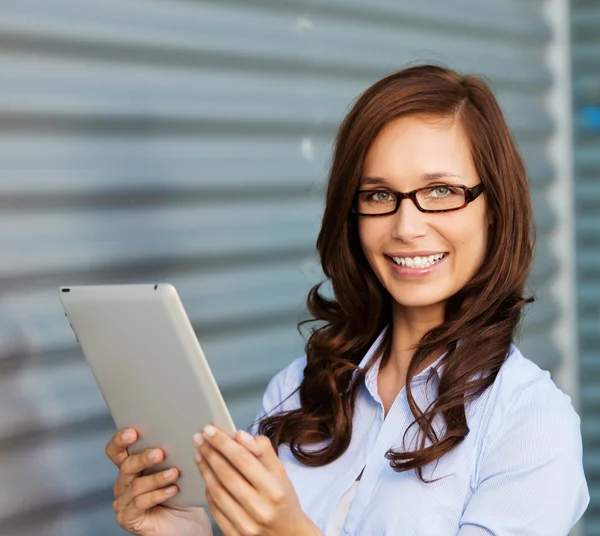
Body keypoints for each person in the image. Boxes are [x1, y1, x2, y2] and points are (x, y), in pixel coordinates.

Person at [105, 64, 590, 535]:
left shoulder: (531, 423)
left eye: (441, 190)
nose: (406, 227)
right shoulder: (297, 392)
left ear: (494, 210)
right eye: (379, 196)